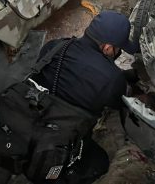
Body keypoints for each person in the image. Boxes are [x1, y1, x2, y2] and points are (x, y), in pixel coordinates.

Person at [32, 11, 139, 183]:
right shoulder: (112, 80)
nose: (118, 53)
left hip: (27, 116)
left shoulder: (55, 46)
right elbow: (118, 101)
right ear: (107, 48)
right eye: (119, 49)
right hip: (54, 146)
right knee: (100, 162)